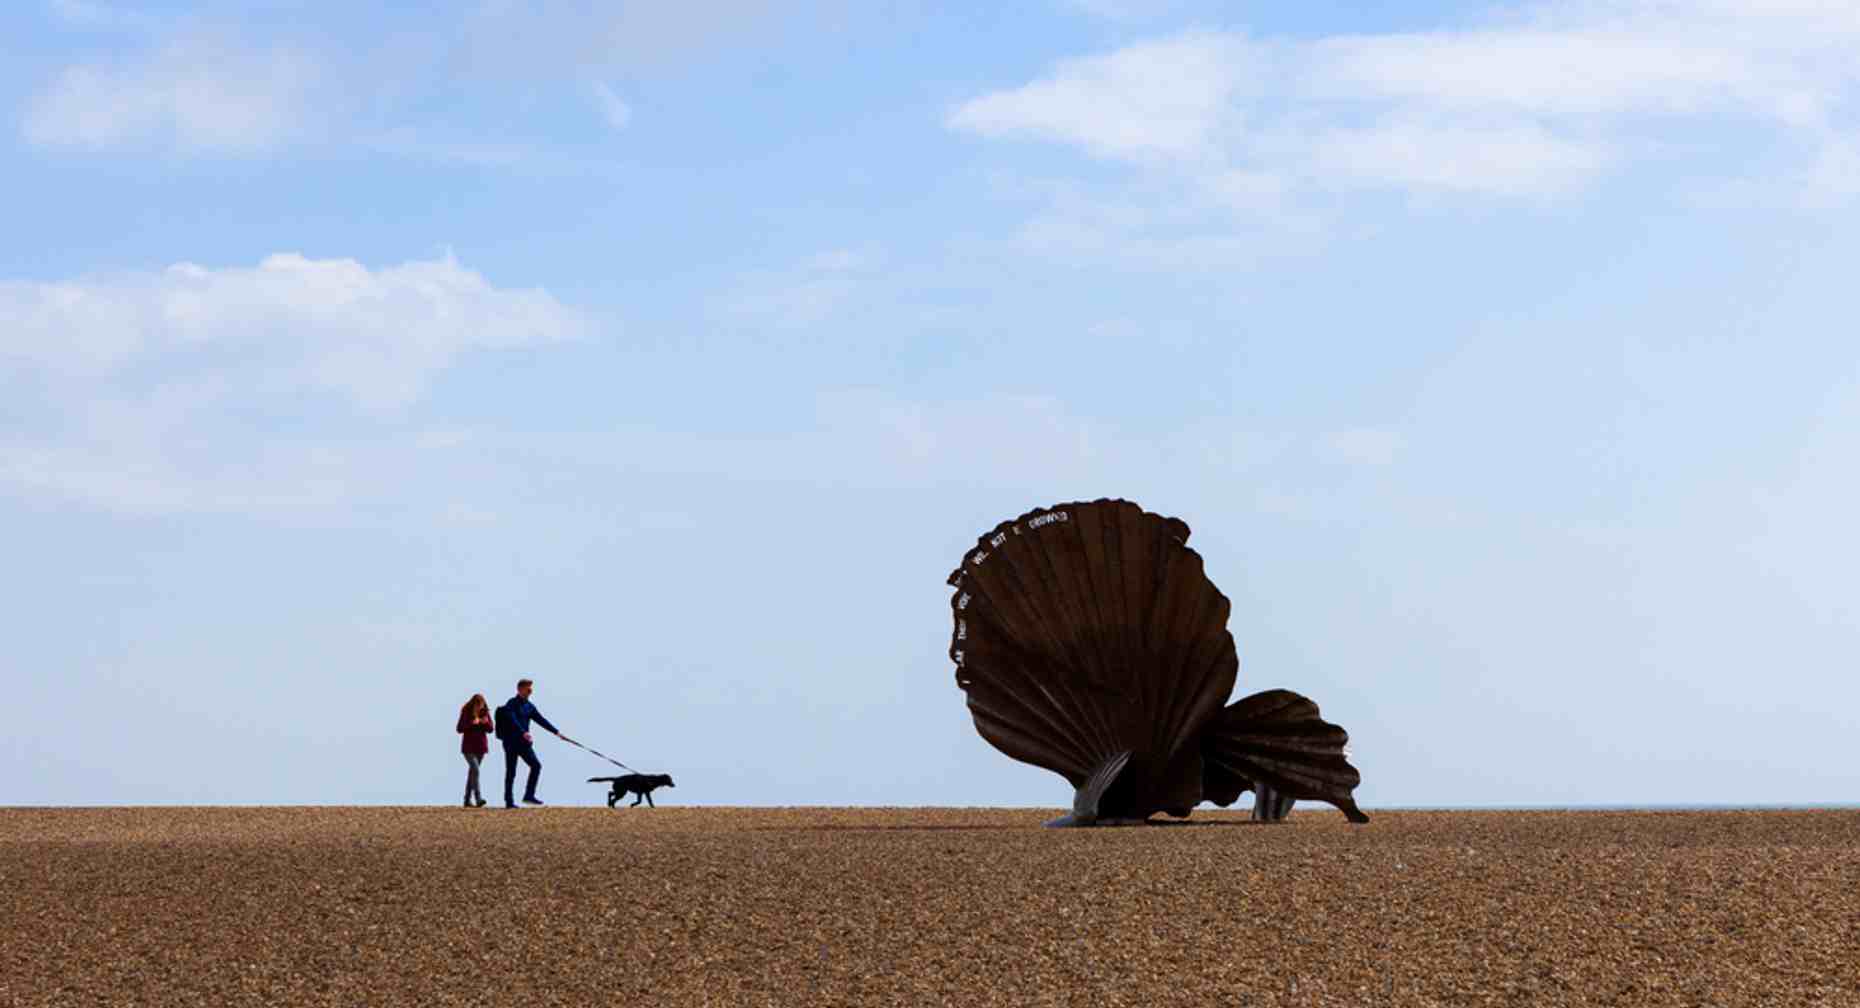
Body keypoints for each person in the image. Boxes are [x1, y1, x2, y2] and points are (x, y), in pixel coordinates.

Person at [500, 678, 560, 808]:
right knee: (511, 772)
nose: (531, 691)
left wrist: (556, 732)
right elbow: (512, 719)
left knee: (536, 766)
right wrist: (523, 732)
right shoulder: (511, 703)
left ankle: (529, 796)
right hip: (511, 742)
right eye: (528, 688)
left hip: (523, 744)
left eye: (531, 688)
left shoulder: (529, 706)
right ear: (520, 689)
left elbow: (540, 720)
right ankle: (509, 802)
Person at [456, 694, 493, 808]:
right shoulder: (466, 712)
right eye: (477, 706)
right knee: (475, 770)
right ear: (473, 704)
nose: (479, 708)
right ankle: (478, 798)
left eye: (481, 706)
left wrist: (484, 722)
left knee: (472, 773)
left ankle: (467, 800)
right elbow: (459, 728)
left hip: (481, 747)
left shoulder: (485, 712)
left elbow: (491, 729)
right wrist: (471, 723)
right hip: (468, 748)